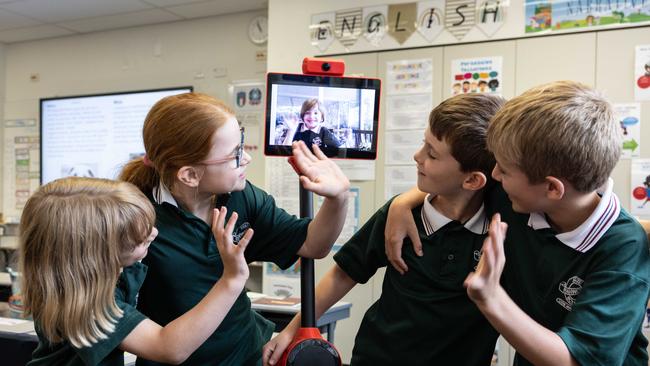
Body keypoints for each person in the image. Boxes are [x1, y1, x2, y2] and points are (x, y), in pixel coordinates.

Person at [384, 81, 650, 365]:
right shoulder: (521, 198)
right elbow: (461, 180)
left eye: (505, 169)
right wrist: (403, 202)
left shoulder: (623, 248)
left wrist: (491, 298)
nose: (495, 174)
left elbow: (573, 360)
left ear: (552, 188)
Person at [263, 93, 506, 366]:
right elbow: (344, 273)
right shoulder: (401, 213)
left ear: (473, 180)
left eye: (432, 154)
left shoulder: (504, 226)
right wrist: (292, 329)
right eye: (423, 143)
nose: (417, 156)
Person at [119, 92, 350, 365]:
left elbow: (313, 244)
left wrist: (338, 198)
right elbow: (155, 340)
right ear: (190, 175)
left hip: (249, 354)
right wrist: (233, 277)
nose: (246, 160)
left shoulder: (241, 196)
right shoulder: (136, 220)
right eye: (235, 155)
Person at [20, 177, 253, 365]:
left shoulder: (89, 280)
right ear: (101, 255)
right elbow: (170, 348)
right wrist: (232, 279)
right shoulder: (85, 306)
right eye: (140, 240)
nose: (154, 235)